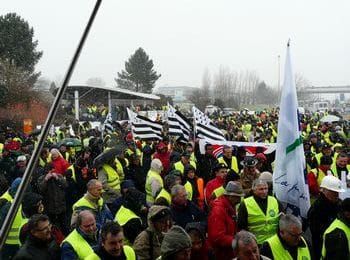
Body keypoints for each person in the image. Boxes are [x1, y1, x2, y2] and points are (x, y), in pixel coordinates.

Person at [307, 175, 344, 259]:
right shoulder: (316, 209)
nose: (337, 194)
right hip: (324, 249)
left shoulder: (339, 204)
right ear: (324, 191)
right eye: (334, 192)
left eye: (337, 192)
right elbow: (317, 233)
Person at [208, 181, 245, 260]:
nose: (239, 200)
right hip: (221, 254)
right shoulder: (218, 210)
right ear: (230, 196)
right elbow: (218, 237)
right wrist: (237, 241)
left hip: (228, 252)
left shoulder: (230, 206)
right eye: (237, 197)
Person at [237, 179, 282, 245]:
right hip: (256, 243)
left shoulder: (274, 201)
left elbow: (282, 220)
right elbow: (241, 227)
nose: (264, 191)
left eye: (266, 188)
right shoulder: (246, 204)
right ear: (254, 190)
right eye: (261, 189)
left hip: (274, 242)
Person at [37, 163, 68, 235]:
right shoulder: (41, 178)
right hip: (49, 208)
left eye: (53, 171)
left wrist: (57, 178)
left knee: (64, 226)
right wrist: (46, 179)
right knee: (51, 226)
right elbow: (40, 190)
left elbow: (65, 185)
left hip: (60, 206)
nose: (52, 173)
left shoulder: (59, 176)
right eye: (50, 171)